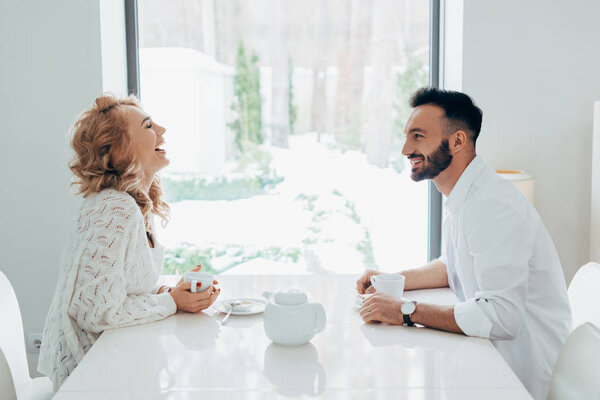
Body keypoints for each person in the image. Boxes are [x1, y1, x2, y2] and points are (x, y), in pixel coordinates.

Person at [356, 88, 571, 400]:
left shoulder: (491, 205)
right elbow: (452, 265)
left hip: (519, 379)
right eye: (406, 136)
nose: (405, 148)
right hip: (488, 361)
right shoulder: (465, 195)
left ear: (457, 141)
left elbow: (499, 317)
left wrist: (404, 310)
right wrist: (389, 281)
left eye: (417, 136)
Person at [38, 95, 220, 391]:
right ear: (119, 150)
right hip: (91, 381)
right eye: (149, 126)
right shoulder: (114, 208)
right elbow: (94, 312)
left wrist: (169, 293)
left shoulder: (134, 204)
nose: (162, 130)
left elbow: (122, 290)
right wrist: (172, 301)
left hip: (116, 363)